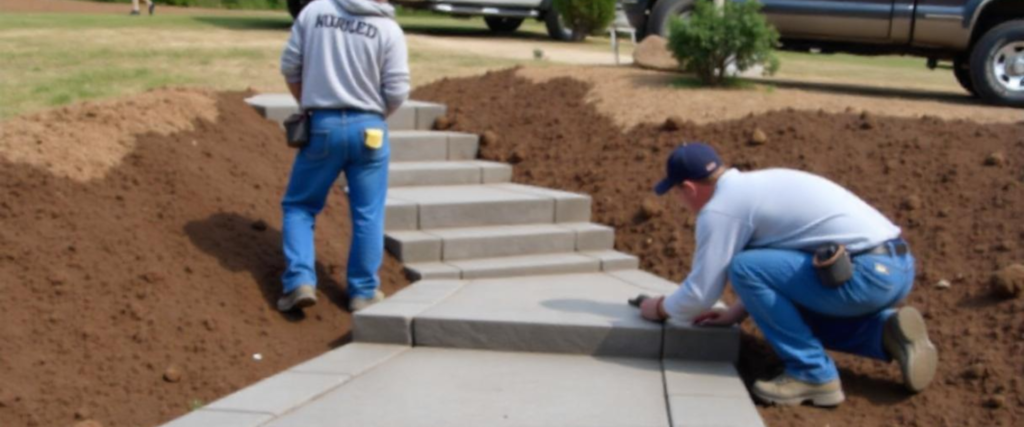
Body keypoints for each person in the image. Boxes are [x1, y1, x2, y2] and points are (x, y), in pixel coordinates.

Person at [639, 143, 938, 407]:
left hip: (864, 275)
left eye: (677, 193)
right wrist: (736, 313)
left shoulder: (720, 209)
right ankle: (884, 333)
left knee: (743, 267)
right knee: (787, 315)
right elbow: (779, 275)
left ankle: (812, 375)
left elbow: (701, 294)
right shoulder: (756, 186)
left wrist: (660, 308)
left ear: (689, 188)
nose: (681, 202)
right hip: (897, 266)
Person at [277, 0, 409, 313]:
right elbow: (397, 91)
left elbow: (290, 66)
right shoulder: (389, 29)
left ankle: (299, 282)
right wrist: (374, 116)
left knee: (299, 206)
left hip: (322, 127)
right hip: (371, 131)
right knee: (368, 213)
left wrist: (308, 103)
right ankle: (363, 292)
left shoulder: (315, 11)